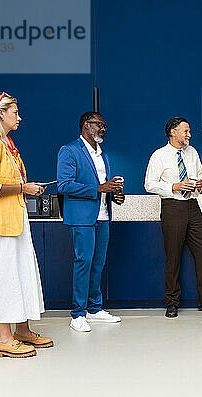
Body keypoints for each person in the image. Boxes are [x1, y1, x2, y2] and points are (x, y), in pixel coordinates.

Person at [0, 92, 53, 358]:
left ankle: (22, 331)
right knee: (5, 279)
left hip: (12, 222)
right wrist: (22, 187)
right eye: (15, 113)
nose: (19, 117)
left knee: (20, 275)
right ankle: (3, 339)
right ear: (0, 114)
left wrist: (23, 189)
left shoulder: (6, 143)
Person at [144, 117, 202, 318]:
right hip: (172, 207)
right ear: (173, 132)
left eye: (189, 131)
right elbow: (149, 184)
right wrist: (173, 186)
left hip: (193, 205)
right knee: (173, 257)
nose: (189, 134)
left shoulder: (192, 152)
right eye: (186, 131)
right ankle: (172, 303)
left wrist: (199, 183)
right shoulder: (159, 155)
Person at [57, 111, 125, 332]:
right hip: (82, 218)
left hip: (103, 216)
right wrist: (98, 188)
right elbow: (64, 185)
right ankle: (77, 314)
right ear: (87, 125)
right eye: (99, 125)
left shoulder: (102, 155)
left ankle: (94, 310)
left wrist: (115, 193)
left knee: (98, 264)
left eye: (104, 125)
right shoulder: (69, 151)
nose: (103, 128)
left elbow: (104, 185)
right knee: (83, 263)